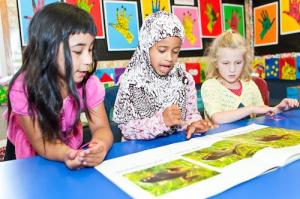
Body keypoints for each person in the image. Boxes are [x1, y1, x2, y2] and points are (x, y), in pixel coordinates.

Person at [4, 3, 113, 169]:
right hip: (30, 152)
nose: (88, 60)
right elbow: (41, 142)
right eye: (78, 51)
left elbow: (101, 127)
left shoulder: (88, 84)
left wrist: (101, 145)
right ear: (48, 50)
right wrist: (67, 154)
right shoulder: (23, 88)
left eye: (90, 50)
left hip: (68, 146)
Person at [113, 11, 215, 140]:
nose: (169, 57)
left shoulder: (184, 80)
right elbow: (128, 129)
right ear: (146, 47)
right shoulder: (132, 82)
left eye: (175, 51)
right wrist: (162, 121)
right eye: (162, 50)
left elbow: (191, 115)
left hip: (175, 146)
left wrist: (194, 124)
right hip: (139, 151)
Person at [201, 30, 299, 124]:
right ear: (216, 63)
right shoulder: (210, 86)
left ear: (244, 62)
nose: (232, 69)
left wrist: (278, 108)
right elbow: (217, 118)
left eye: (238, 63)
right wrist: (251, 109)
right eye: (226, 63)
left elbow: (262, 111)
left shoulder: (249, 84)